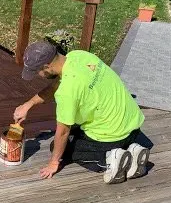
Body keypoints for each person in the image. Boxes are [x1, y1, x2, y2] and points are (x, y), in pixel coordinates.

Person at [13, 40, 149, 184]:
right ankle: (133, 149)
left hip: (112, 136)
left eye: (37, 72)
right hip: (133, 125)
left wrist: (54, 163)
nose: (39, 76)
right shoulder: (79, 56)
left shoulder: (67, 91)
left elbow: (63, 132)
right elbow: (54, 87)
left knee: (61, 148)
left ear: (46, 67)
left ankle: (111, 159)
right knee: (75, 131)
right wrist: (28, 104)